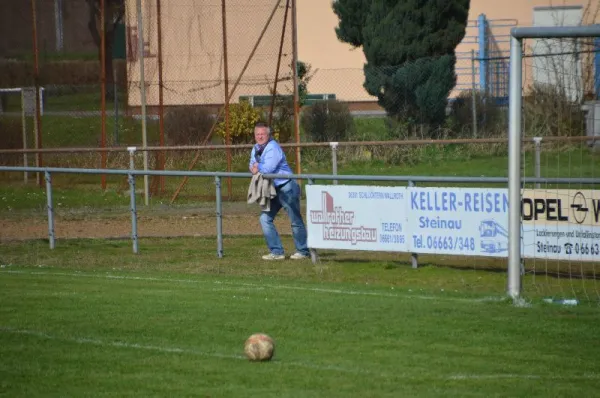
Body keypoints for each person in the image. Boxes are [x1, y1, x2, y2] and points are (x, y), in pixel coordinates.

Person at [249, 122, 310, 260]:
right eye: (257, 134)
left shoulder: (273, 147)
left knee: (295, 219)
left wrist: (257, 166)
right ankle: (277, 252)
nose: (260, 137)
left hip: (287, 186)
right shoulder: (255, 148)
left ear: (268, 135)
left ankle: (303, 251)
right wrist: (256, 167)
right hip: (272, 189)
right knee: (265, 218)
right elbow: (251, 165)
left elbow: (268, 168)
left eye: (262, 134)